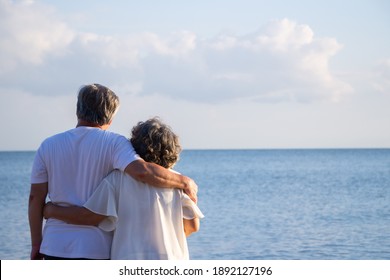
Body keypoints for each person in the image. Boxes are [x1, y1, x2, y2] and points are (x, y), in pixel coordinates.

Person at [29, 84, 198, 260]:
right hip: (96, 248)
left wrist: (36, 243)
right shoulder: (115, 143)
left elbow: (35, 198)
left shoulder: (48, 145)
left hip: (54, 245)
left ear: (78, 111)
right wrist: (184, 182)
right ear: (110, 117)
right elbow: (141, 171)